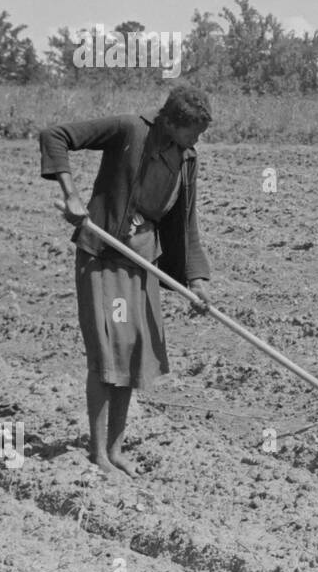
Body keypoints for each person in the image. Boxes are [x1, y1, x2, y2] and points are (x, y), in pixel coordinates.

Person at [39, 85, 214, 477]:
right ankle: (97, 452)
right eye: (194, 132)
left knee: (132, 350)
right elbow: (55, 135)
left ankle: (116, 450)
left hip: (143, 260)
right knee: (107, 353)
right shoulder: (129, 130)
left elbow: (186, 223)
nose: (197, 141)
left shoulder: (187, 159)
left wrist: (197, 279)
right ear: (170, 121)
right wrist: (71, 195)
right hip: (103, 253)